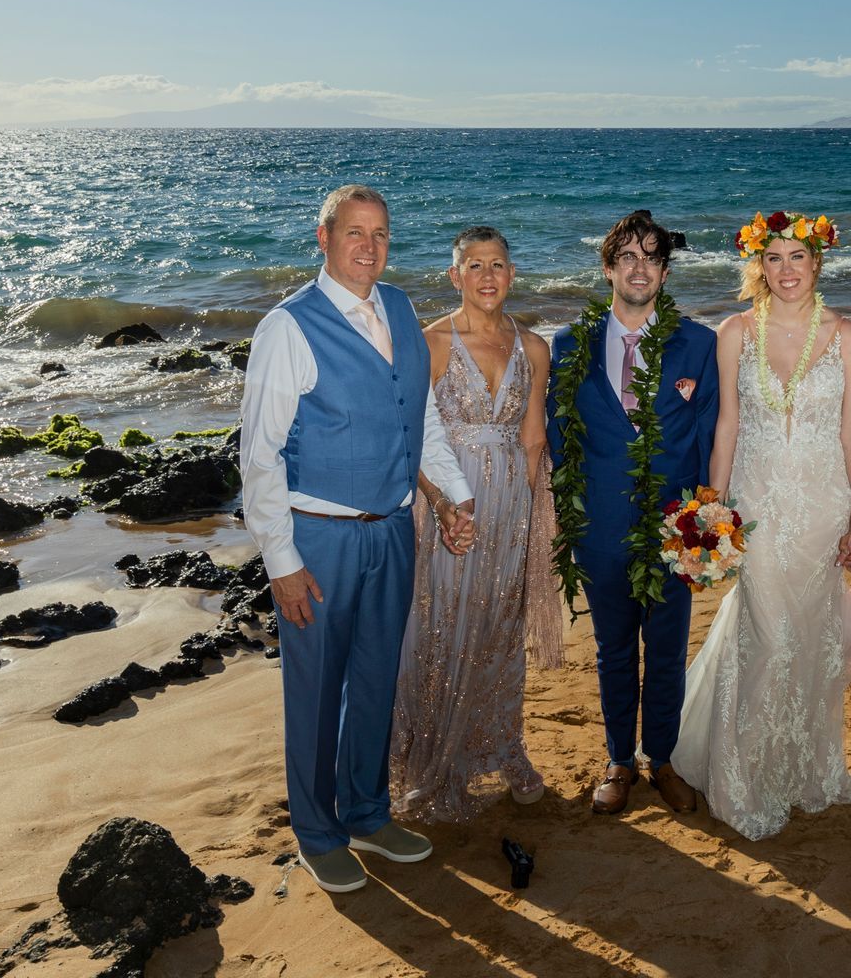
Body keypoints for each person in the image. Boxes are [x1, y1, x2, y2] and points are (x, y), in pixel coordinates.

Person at [240, 184, 478, 895]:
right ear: (324, 237)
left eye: (379, 233)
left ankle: (369, 813)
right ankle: (318, 833)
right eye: (354, 232)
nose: (368, 246)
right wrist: (280, 562)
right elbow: (258, 457)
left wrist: (455, 492)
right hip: (319, 539)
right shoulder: (288, 327)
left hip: (393, 532)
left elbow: (422, 419)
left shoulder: (401, 308)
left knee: (377, 681)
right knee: (315, 692)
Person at [669, 210, 851, 841]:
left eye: (798, 258)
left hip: (820, 507)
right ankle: (744, 777)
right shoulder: (735, 332)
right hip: (756, 505)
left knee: (812, 638)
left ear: (818, 264)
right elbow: (727, 425)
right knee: (769, 633)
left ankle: (805, 768)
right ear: (759, 264)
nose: (786, 270)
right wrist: (712, 510)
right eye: (775, 258)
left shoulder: (849, 338)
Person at [546, 210, 720, 816]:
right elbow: (558, 435)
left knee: (668, 649)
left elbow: (708, 434)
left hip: (674, 528)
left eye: (650, 256)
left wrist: (703, 524)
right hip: (599, 528)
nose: (638, 267)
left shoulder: (699, 344)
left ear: (665, 272)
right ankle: (620, 759)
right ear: (608, 268)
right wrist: (564, 520)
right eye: (627, 256)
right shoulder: (570, 345)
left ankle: (662, 759)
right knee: (613, 647)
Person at [390, 225, 562, 824]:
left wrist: (543, 520)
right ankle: (432, 763)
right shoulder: (431, 343)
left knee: (497, 628)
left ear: (512, 275)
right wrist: (439, 503)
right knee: (438, 628)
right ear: (454, 275)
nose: (487, 276)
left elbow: (534, 439)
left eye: (498, 265)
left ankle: (503, 749)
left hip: (512, 505)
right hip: (448, 504)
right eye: (474, 265)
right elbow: (409, 437)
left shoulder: (535, 348)